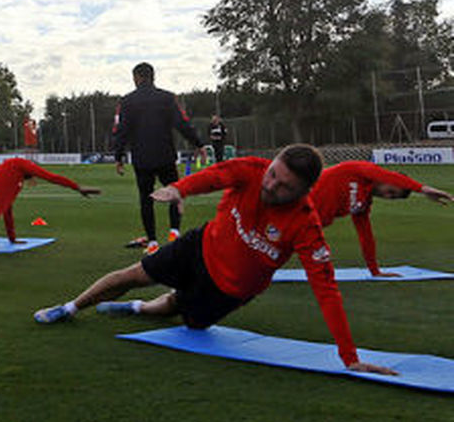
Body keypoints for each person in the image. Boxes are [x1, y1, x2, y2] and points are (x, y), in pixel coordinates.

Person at [32, 145, 396, 376]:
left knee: (180, 312)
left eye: (284, 186)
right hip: (199, 247)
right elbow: (216, 176)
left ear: (304, 191)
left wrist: (349, 356)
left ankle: (137, 310)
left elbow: (327, 289)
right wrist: (180, 188)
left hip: (230, 290)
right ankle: (69, 308)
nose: (271, 186)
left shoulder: (307, 225)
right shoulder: (254, 170)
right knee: (134, 273)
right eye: (273, 175)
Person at [111, 62, 205, 254]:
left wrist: (118, 156)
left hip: (142, 158)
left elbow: (121, 131)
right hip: (165, 156)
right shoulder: (167, 98)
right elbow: (182, 123)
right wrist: (198, 143)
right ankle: (174, 232)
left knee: (146, 200)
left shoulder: (127, 101)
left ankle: (153, 242)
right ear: (153, 77)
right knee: (175, 194)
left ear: (137, 77)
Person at [311, 161, 452, 277]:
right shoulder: (358, 170)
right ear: (388, 179)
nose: (387, 197)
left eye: (392, 198)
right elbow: (385, 174)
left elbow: (365, 236)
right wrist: (422, 189)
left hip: (305, 227)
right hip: (294, 202)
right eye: (391, 192)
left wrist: (375, 271)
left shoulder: (362, 204)